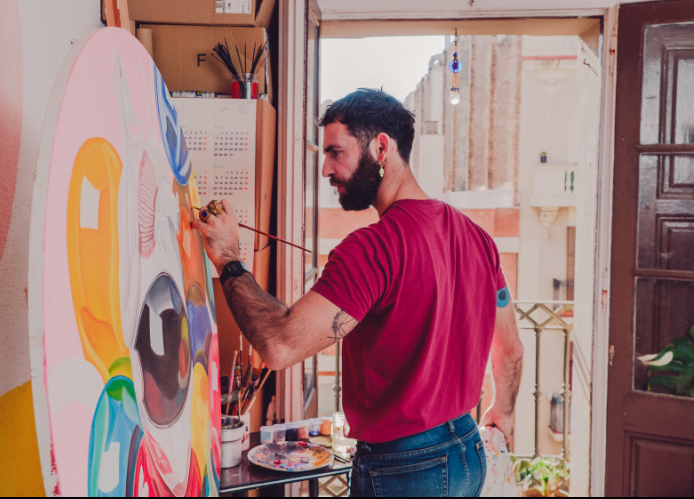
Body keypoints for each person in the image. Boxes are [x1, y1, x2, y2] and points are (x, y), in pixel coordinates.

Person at [192, 88, 524, 497]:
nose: (326, 169)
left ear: (380, 147)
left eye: (336, 152)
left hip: (406, 469)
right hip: (467, 450)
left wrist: (228, 259)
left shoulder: (371, 249)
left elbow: (278, 345)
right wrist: (502, 413)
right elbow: (511, 350)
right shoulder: (477, 238)